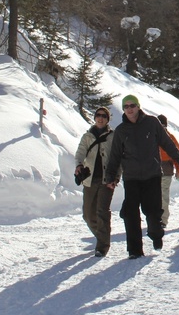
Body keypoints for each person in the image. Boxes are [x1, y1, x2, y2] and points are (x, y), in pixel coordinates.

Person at [103, 95, 179, 259]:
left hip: (152, 175)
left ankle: (156, 234)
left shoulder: (152, 123)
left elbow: (166, 143)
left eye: (132, 105)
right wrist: (111, 177)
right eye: (126, 106)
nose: (129, 109)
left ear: (138, 106)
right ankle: (134, 250)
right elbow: (114, 156)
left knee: (153, 211)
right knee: (130, 213)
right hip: (131, 177)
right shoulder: (121, 130)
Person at [74, 107, 117, 257]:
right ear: (95, 118)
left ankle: (102, 247)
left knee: (102, 212)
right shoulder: (87, 136)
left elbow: (118, 159)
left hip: (107, 180)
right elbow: (80, 152)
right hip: (90, 179)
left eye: (103, 116)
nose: (100, 118)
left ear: (107, 119)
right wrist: (79, 164)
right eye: (98, 115)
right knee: (88, 214)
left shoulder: (113, 137)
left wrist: (115, 178)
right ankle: (102, 236)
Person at [155, 114, 179, 229]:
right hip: (153, 170)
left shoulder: (170, 137)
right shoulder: (151, 136)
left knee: (163, 195)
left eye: (163, 125)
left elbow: (177, 153)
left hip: (166, 169)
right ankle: (155, 217)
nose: (162, 128)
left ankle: (163, 219)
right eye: (159, 125)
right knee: (154, 196)